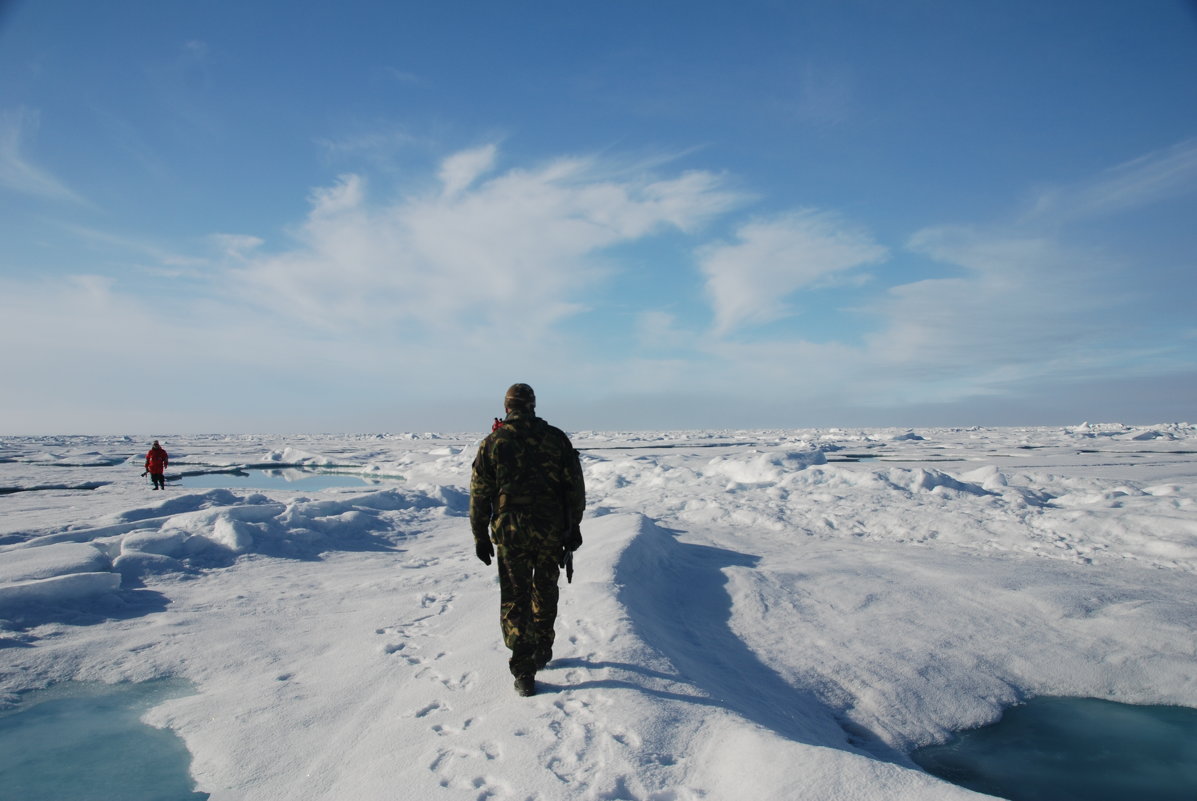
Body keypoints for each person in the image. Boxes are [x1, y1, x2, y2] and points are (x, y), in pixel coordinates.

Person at [470, 384, 585, 697]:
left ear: (507, 406)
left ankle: (523, 670)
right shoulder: (556, 438)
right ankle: (541, 651)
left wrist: (480, 534)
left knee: (515, 597)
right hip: (550, 531)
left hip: (511, 533)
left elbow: (480, 493)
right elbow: (574, 487)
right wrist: (573, 525)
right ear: (532, 405)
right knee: (545, 589)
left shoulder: (494, 442)